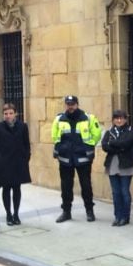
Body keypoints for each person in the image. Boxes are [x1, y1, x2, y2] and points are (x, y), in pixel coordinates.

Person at [51, 95, 102, 223]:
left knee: (86, 186)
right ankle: (66, 212)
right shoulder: (59, 119)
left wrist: (87, 147)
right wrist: (60, 148)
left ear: (77, 104)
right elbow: (55, 135)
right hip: (65, 158)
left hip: (83, 158)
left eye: (72, 104)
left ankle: (89, 211)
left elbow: (97, 134)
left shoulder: (88, 118)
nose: (70, 106)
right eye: (68, 104)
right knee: (66, 187)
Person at [0, 103, 31, 225]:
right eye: (6, 114)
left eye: (10, 113)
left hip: (18, 162)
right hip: (4, 164)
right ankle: (8, 214)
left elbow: (26, 144)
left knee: (17, 188)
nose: (8, 116)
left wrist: (26, 157)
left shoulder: (22, 126)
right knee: (6, 189)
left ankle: (16, 214)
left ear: (15, 114)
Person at [101, 109, 133, 226]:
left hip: (126, 165)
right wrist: (118, 145)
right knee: (116, 192)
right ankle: (117, 216)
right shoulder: (109, 132)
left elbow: (127, 143)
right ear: (113, 120)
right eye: (117, 118)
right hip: (112, 165)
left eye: (121, 118)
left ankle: (125, 217)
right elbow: (105, 146)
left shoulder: (131, 130)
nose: (119, 120)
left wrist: (114, 143)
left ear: (126, 119)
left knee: (124, 192)